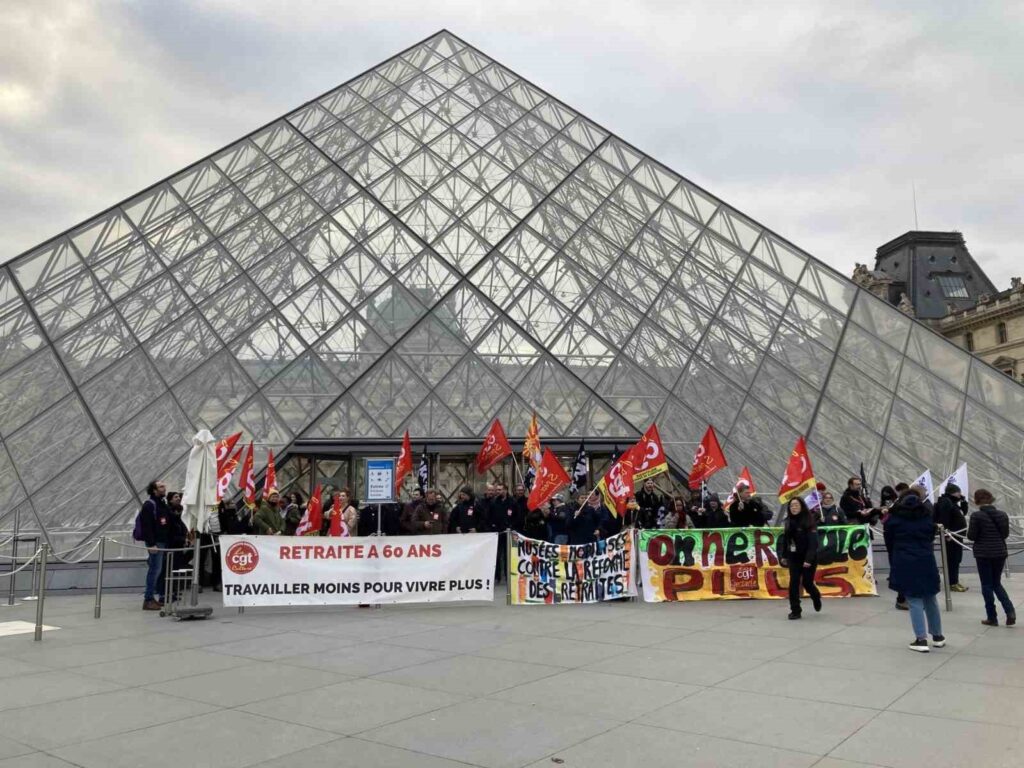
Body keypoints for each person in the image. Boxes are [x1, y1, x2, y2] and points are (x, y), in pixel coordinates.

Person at [883, 490, 945, 652]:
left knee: (914, 599)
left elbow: (889, 540)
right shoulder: (926, 519)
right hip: (926, 559)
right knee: (930, 597)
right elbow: (931, 537)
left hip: (905, 560)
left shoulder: (895, 520)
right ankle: (938, 636)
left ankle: (921, 639)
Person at [968, 489, 1016, 627]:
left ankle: (992, 616)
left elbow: (971, 536)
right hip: (999, 552)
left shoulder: (977, 516)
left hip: (983, 553)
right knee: (996, 583)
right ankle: (1010, 611)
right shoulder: (1002, 515)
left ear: (977, 501)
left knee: (986, 585)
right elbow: (1005, 534)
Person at [777, 497, 822, 619]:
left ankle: (816, 596)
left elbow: (813, 543)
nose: (794, 508)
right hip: (794, 557)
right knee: (794, 583)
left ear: (802, 506)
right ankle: (795, 610)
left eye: (796, 505)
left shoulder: (809, 522)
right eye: (792, 506)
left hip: (808, 557)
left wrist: (808, 560)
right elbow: (787, 541)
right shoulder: (788, 522)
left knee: (807, 583)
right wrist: (784, 556)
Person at [139, 480, 171, 611]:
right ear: (154, 490)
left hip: (161, 541)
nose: (164, 488)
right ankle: (148, 599)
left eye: (164, 486)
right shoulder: (149, 505)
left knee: (157, 570)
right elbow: (147, 527)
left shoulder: (161, 503)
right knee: (154, 570)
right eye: (161, 486)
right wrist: (151, 544)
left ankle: (152, 598)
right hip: (155, 543)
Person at [934, 483, 969, 592]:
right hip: (951, 536)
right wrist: (946, 533)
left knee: (956, 559)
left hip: (956, 535)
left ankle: (954, 581)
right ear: (954, 492)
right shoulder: (946, 502)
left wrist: (963, 501)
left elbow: (964, 512)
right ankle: (952, 582)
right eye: (959, 492)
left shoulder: (952, 502)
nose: (960, 494)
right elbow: (944, 518)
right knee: (952, 560)